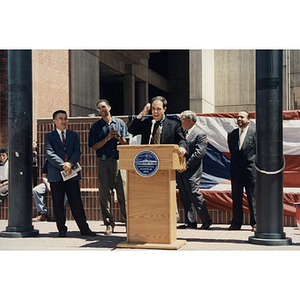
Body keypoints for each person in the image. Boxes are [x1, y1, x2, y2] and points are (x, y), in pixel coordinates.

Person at [45, 110, 95, 237]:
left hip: (71, 174)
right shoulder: (49, 136)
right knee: (58, 204)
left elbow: (77, 151)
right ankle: (61, 229)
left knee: (76, 203)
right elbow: (50, 154)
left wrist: (70, 164)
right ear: (54, 121)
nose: (64, 121)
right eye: (61, 119)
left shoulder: (73, 135)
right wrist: (63, 164)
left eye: (65, 118)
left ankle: (84, 229)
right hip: (56, 175)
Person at [88, 99, 129, 235]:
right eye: (99, 108)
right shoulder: (96, 127)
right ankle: (108, 224)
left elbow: (126, 144)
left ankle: (129, 223)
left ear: (109, 107)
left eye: (103, 107)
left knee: (123, 194)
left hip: (119, 162)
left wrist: (117, 136)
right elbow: (94, 147)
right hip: (104, 162)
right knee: (105, 195)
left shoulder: (120, 123)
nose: (102, 110)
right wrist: (106, 139)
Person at [176, 111, 213, 230]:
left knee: (194, 194)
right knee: (184, 195)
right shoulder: (181, 133)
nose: (180, 121)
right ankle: (190, 221)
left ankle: (206, 220)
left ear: (190, 120)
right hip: (179, 170)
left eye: (182, 119)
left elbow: (199, 153)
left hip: (192, 170)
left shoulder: (199, 134)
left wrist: (186, 166)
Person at [227, 110, 256, 231]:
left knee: (253, 198)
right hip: (236, 171)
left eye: (242, 117)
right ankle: (236, 222)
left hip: (250, 171)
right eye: (237, 117)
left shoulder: (255, 133)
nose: (239, 119)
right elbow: (233, 152)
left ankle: (256, 223)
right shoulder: (232, 134)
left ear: (249, 119)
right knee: (236, 197)